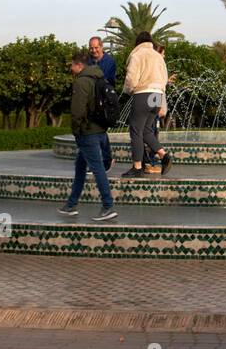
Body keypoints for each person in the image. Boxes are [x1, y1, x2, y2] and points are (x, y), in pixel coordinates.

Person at [60, 52, 117, 220]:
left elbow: (77, 111)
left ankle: (108, 206)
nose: (71, 68)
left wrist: (77, 130)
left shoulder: (81, 81)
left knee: (98, 169)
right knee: (80, 167)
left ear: (79, 65)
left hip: (88, 132)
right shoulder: (99, 78)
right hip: (100, 130)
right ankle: (71, 205)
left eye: (72, 65)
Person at [122, 32, 170, 177]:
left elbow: (131, 78)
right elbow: (165, 78)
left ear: (137, 42)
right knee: (147, 131)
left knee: (136, 130)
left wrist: (127, 92)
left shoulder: (137, 55)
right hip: (157, 95)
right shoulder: (158, 56)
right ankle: (164, 155)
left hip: (143, 94)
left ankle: (137, 167)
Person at [87, 36, 117, 172]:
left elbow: (106, 81)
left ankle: (106, 159)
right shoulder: (87, 60)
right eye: (91, 48)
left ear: (101, 47)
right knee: (91, 131)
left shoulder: (109, 62)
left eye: (96, 48)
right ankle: (96, 161)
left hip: (104, 102)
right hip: (90, 100)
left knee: (100, 131)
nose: (94, 50)